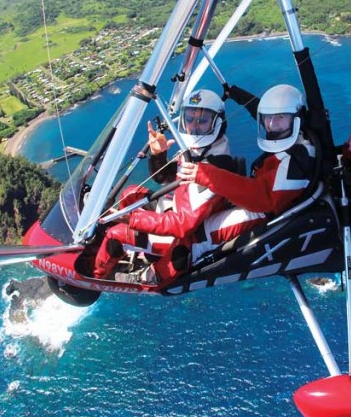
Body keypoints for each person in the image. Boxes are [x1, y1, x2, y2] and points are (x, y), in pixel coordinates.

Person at [91, 88, 241, 284]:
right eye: (189, 119)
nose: (193, 127)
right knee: (131, 193)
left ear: (216, 123)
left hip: (186, 234)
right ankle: (132, 247)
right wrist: (158, 154)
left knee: (115, 234)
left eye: (202, 121)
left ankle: (96, 277)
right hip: (180, 206)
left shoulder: (213, 167)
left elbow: (182, 226)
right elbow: (165, 178)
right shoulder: (202, 147)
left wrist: (132, 219)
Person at [179, 83, 317, 256]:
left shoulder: (300, 157)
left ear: (297, 118)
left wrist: (206, 174)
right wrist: (235, 93)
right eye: (269, 118)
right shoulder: (290, 133)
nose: (272, 124)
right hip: (256, 197)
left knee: (198, 237)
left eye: (280, 116)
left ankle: (160, 275)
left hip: (264, 213)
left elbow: (262, 198)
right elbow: (260, 111)